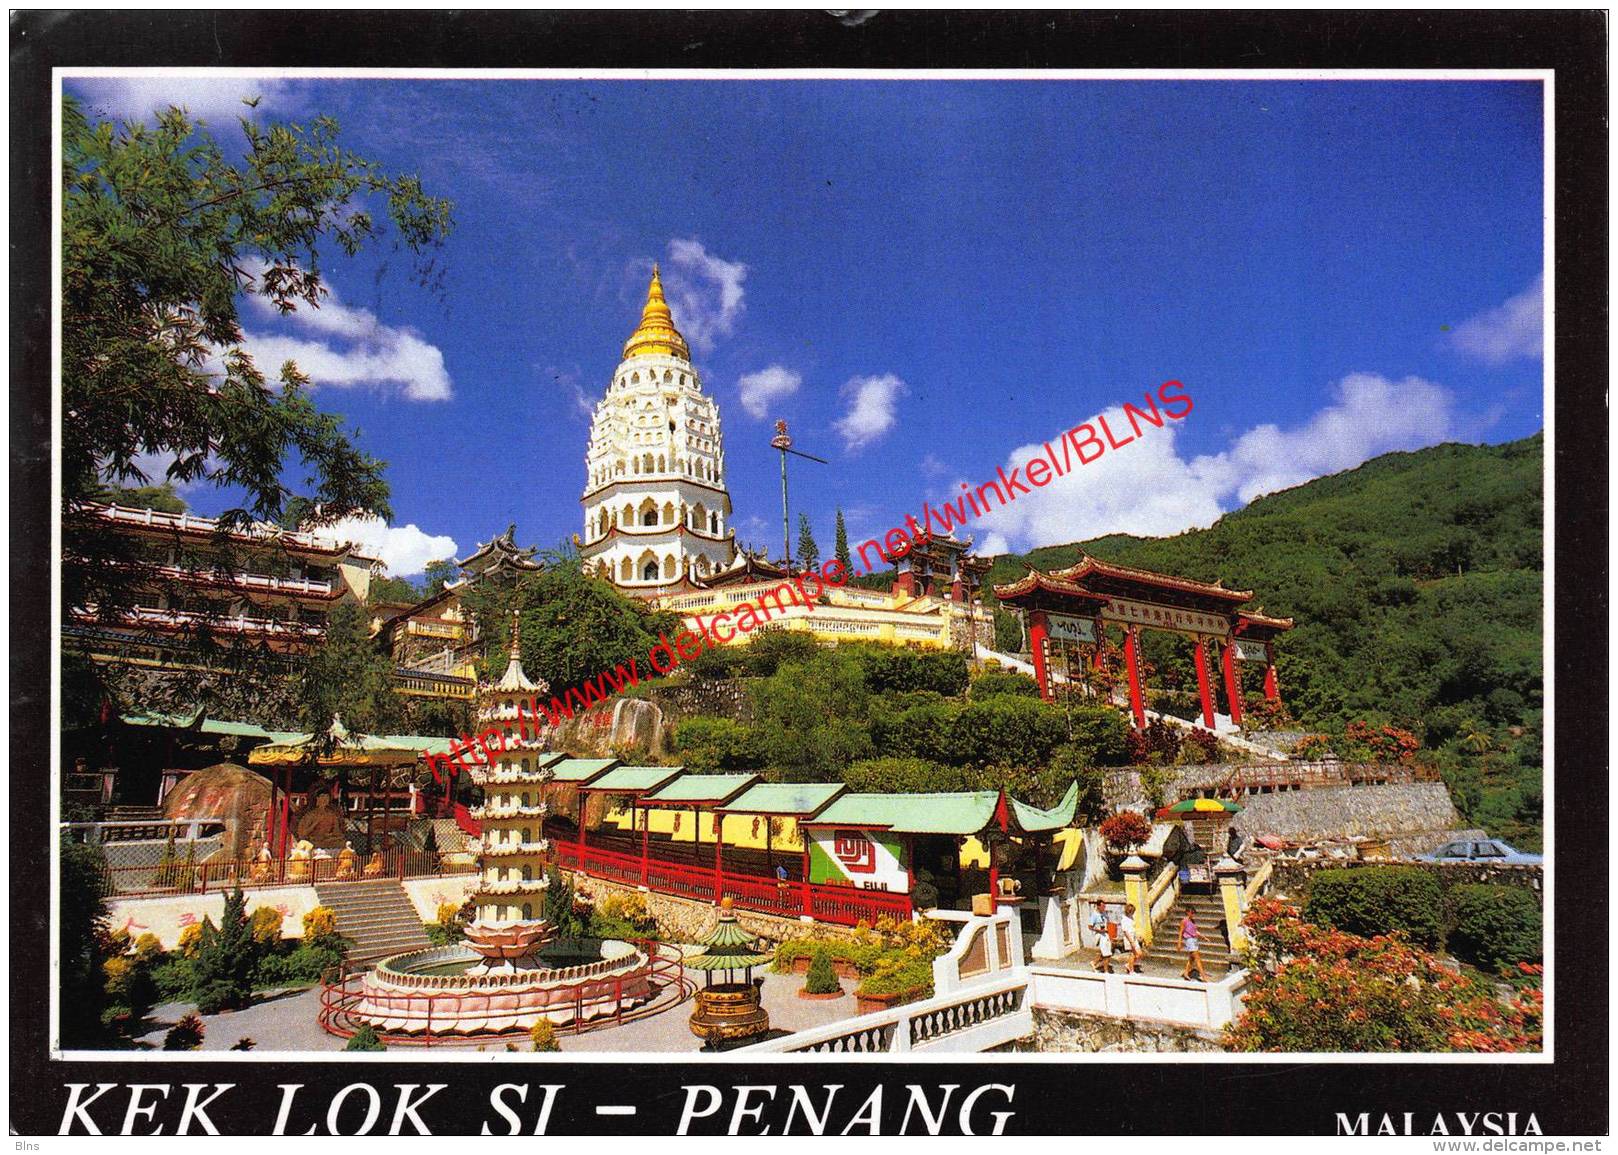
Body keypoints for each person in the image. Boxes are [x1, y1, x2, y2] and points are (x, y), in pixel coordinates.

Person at [1179, 908, 1209, 982]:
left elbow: (1195, 931)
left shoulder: (1192, 921)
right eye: (1192, 913)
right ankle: (1204, 976)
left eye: (1193, 913)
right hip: (1189, 940)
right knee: (1197, 958)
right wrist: (1179, 943)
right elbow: (1181, 932)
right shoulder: (1184, 921)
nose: (1193, 914)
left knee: (1191, 959)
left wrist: (1204, 937)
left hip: (1194, 940)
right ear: (1187, 912)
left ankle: (1186, 973)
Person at [1088, 900, 1114, 973]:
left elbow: (1108, 923)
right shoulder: (1094, 915)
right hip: (1100, 935)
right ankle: (1106, 971)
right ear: (1098, 906)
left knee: (1105, 953)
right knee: (1107, 954)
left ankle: (1094, 962)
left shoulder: (1104, 914)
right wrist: (1099, 930)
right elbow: (1090, 927)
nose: (1104, 908)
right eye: (1102, 906)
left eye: (1104, 906)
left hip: (1107, 934)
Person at [1119, 903, 1144, 973]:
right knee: (1132, 954)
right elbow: (1125, 931)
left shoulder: (1131, 918)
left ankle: (1129, 965)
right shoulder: (1124, 919)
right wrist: (1131, 941)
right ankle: (1131, 970)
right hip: (1129, 938)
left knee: (1139, 953)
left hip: (1133, 937)